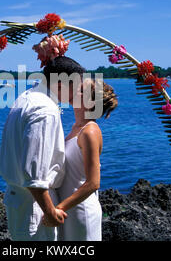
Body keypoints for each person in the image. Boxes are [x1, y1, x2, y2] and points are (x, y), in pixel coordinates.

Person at [0, 56, 86, 241]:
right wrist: (50, 212)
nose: (77, 93)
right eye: (75, 86)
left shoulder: (25, 98)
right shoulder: (45, 110)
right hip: (35, 207)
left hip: (18, 199)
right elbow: (34, 173)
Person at [48, 78, 118, 241]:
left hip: (81, 211)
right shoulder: (76, 128)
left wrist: (57, 208)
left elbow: (93, 183)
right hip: (69, 209)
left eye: (80, 90)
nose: (74, 90)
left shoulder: (90, 132)